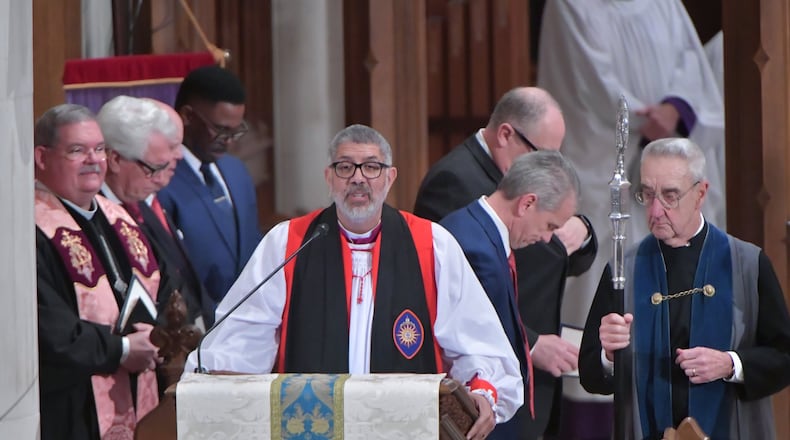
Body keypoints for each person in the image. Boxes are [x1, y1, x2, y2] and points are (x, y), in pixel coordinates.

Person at [184, 124, 523, 439]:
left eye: (371, 167)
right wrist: (210, 380)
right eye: (345, 167)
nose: (358, 179)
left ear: (390, 177)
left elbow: (477, 341)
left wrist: (484, 390)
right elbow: (243, 337)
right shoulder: (288, 242)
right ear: (329, 177)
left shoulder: (432, 245)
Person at [414, 86, 597, 439]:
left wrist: (582, 229)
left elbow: (551, 259)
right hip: (483, 409)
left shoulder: (497, 223)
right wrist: (530, 344)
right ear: (506, 134)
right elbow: (461, 329)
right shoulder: (459, 202)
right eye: (542, 154)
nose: (548, 237)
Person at [579, 138, 790, 439]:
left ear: (701, 193)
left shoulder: (748, 264)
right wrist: (609, 357)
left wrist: (730, 364)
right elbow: (590, 374)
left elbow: (783, 358)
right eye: (647, 194)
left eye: (670, 196)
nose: (655, 210)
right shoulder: (623, 269)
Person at [34, 103, 162, 439]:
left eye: (100, 149)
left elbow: (165, 289)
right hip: (71, 409)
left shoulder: (118, 216)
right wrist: (120, 350)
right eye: (77, 150)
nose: (93, 160)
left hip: (138, 393)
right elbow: (46, 328)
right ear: (41, 158)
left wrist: (160, 337)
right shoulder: (28, 229)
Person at [440, 151, 581, 439]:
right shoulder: (476, 251)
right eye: (550, 226)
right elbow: (479, 351)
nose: (546, 238)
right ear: (527, 203)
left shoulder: (474, 228)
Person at [98, 95, 214, 329]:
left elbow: (172, 277)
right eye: (153, 168)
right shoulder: (93, 215)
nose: (176, 159)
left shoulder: (140, 201)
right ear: (116, 160)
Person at [157, 65, 262, 311]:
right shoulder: (161, 180)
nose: (228, 140)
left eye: (236, 130)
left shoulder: (237, 172)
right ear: (187, 116)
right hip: (194, 327)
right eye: (220, 129)